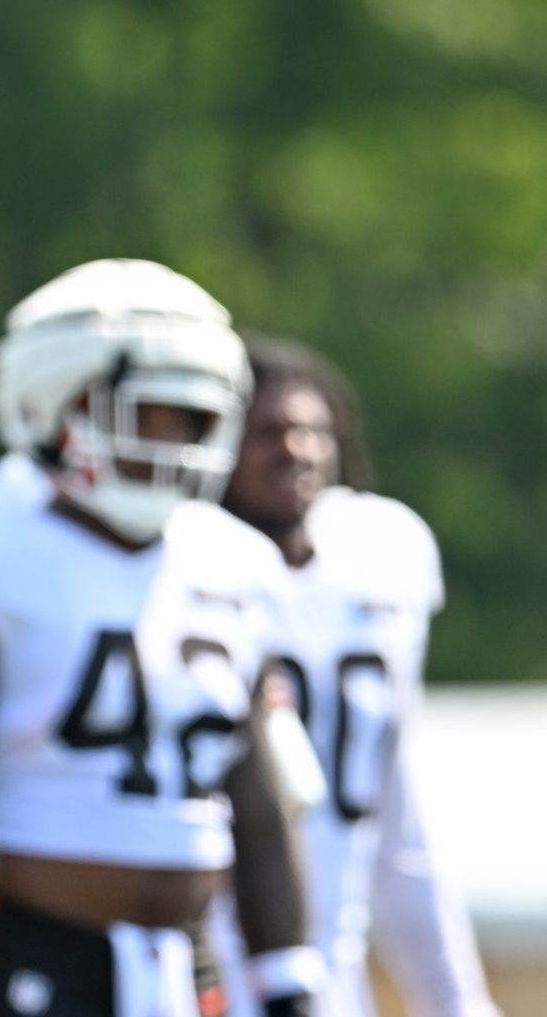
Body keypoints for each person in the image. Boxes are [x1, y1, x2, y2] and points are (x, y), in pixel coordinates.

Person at [0, 259, 320, 1017]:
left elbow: (260, 802)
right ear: (57, 407)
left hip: (188, 963)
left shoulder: (234, 563)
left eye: (194, 422)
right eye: (151, 416)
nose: (176, 445)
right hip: (31, 956)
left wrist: (289, 979)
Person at [212, 336, 501, 1017]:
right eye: (266, 434)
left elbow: (396, 820)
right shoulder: (185, 569)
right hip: (205, 968)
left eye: (312, 430)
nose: (296, 451)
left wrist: (456, 1002)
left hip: (330, 973)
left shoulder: (383, 551)